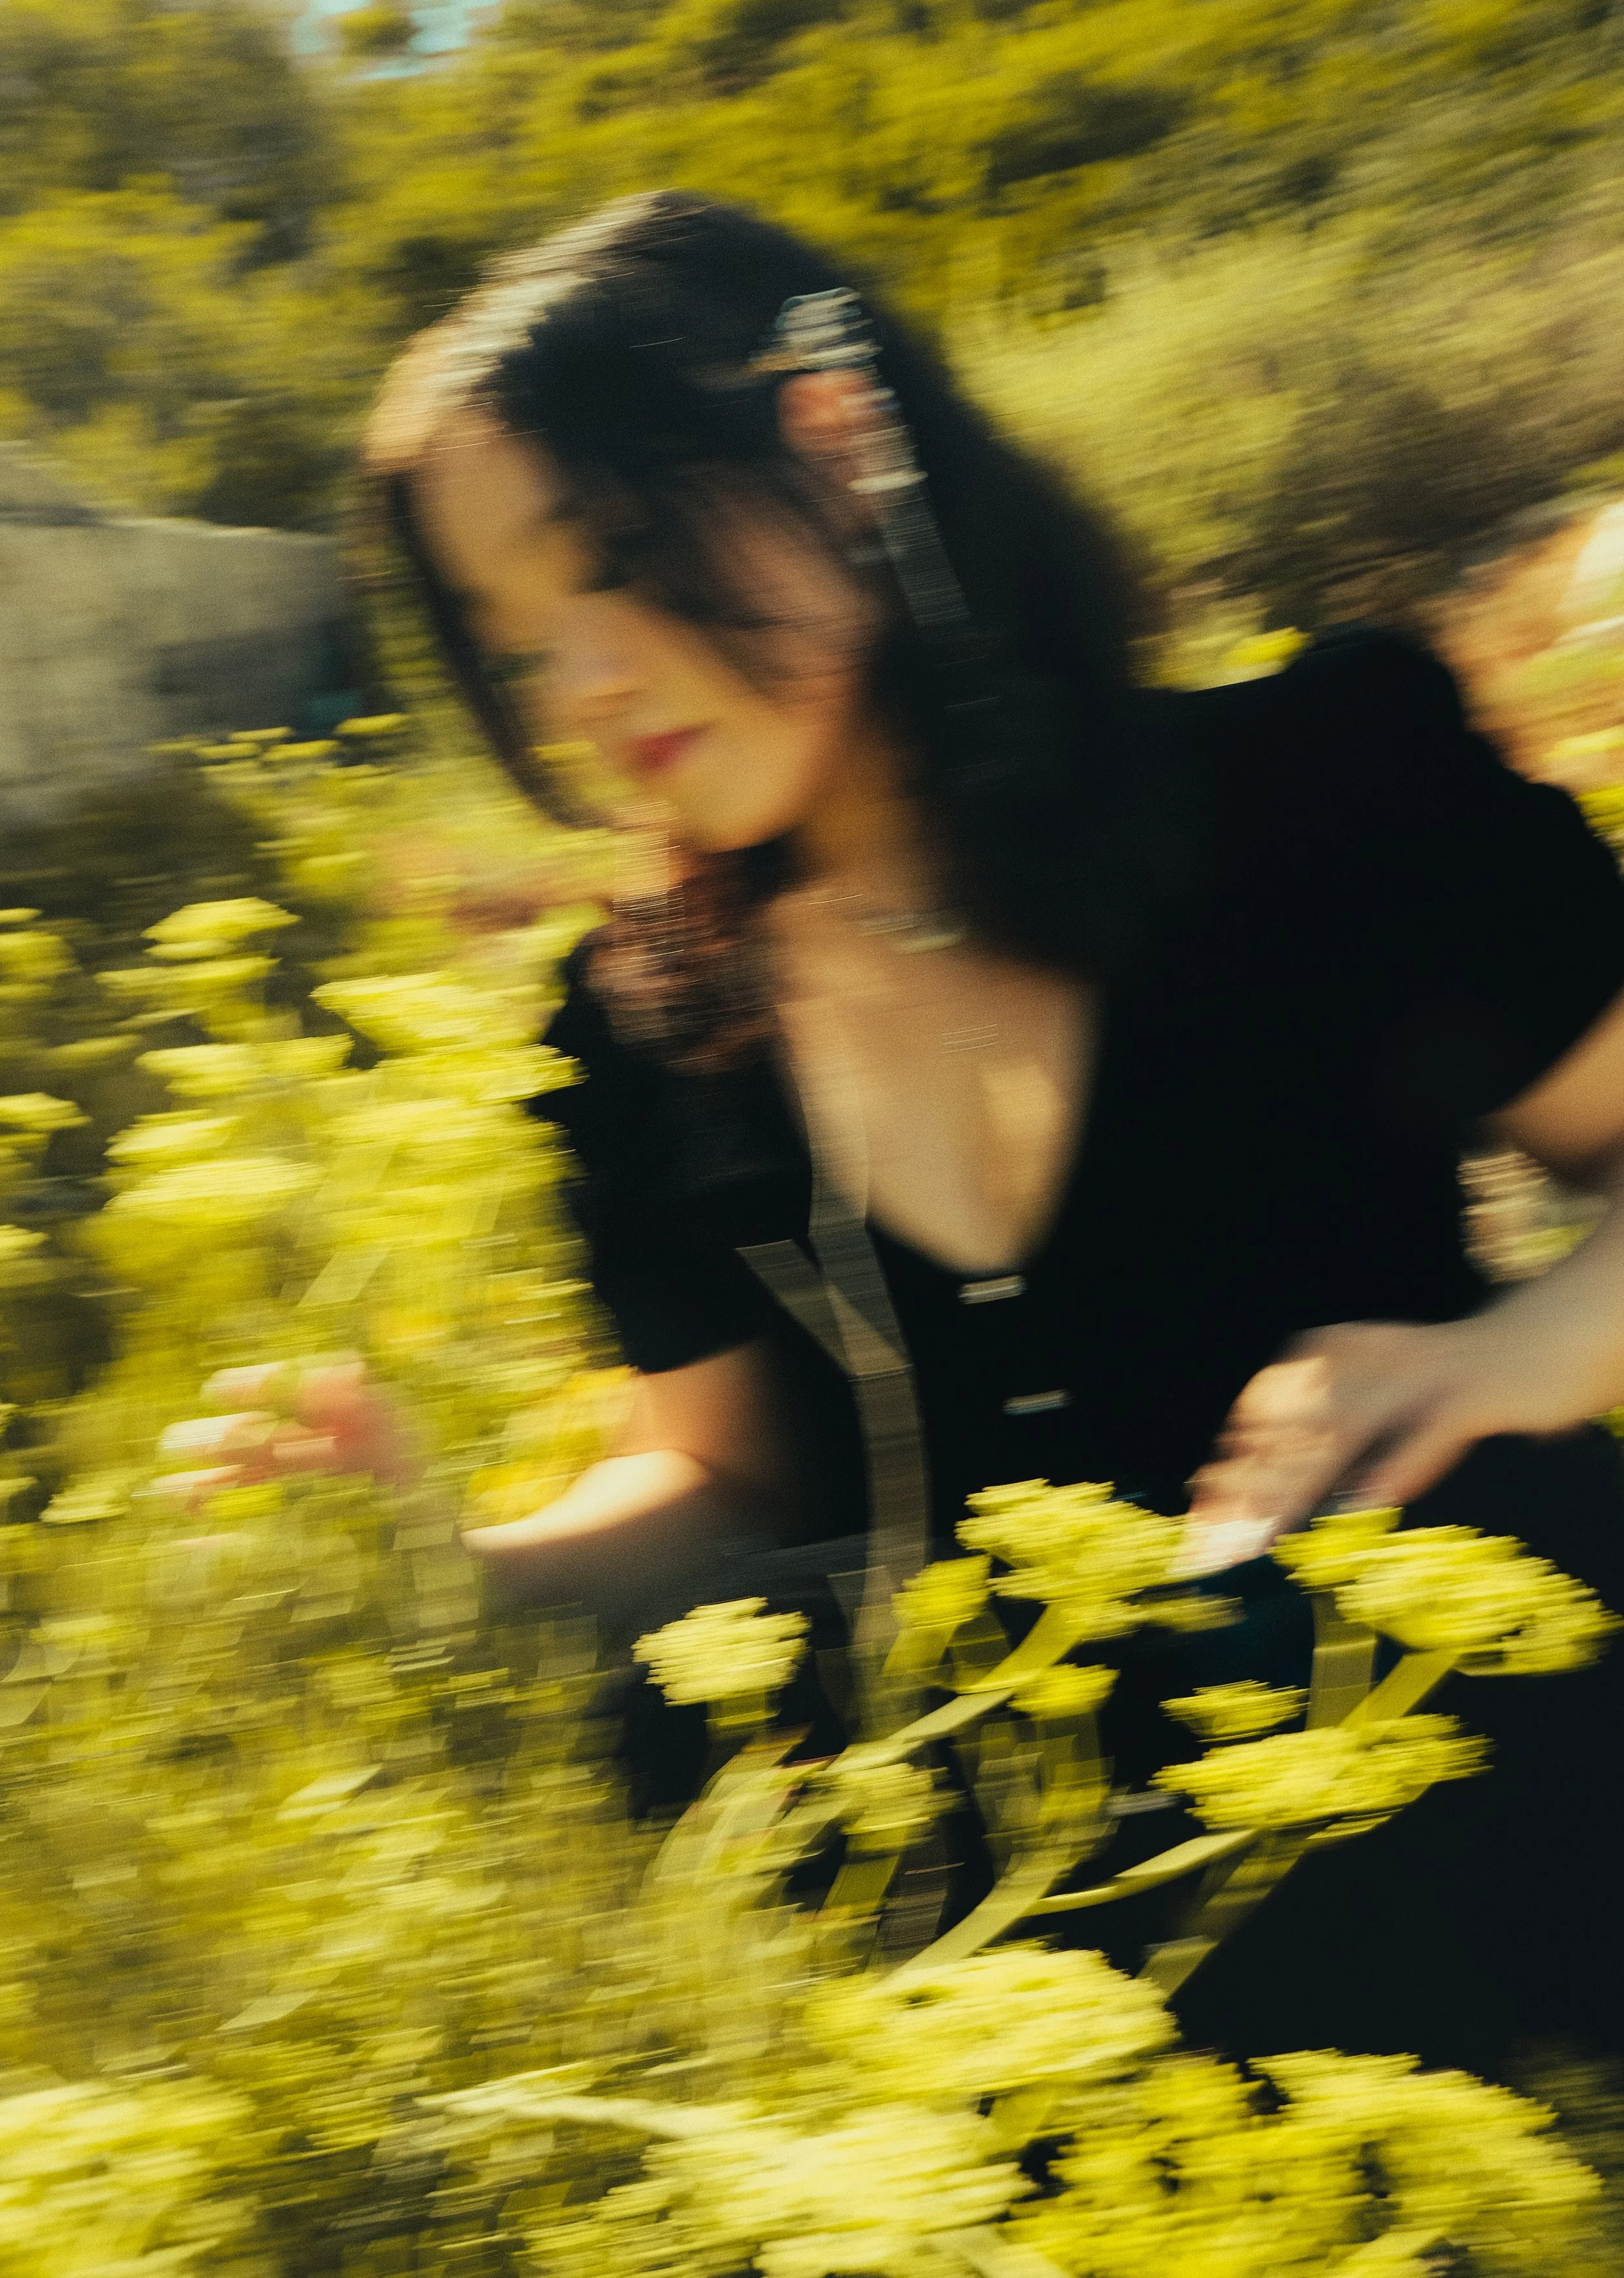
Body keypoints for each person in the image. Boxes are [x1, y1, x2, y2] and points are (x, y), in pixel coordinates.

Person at [176, 193, 1624, 2064]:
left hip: (1471, 1745)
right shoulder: (638, 1025)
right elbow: (719, 1488)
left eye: (609, 563)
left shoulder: (1317, 786)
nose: (582, 685)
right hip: (1060, 1899)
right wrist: (444, 1560)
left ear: (835, 445)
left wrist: (1506, 1351)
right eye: (513, 644)